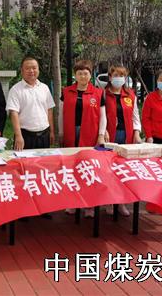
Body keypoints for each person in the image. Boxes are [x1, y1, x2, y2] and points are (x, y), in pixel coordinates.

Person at [60, 60, 105, 218]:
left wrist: (101, 134)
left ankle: (89, 205)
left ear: (90, 75)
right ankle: (72, 203)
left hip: (90, 134)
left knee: (89, 169)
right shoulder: (66, 91)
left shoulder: (98, 93)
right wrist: (61, 132)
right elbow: (61, 114)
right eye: (79, 73)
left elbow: (103, 116)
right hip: (71, 133)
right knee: (71, 169)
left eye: (86, 73)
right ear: (75, 75)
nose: (83, 76)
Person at [103, 65, 142, 217]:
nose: (118, 78)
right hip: (109, 137)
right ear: (110, 77)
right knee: (109, 170)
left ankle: (122, 202)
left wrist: (137, 133)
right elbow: (100, 115)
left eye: (122, 76)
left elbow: (135, 116)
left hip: (126, 136)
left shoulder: (130, 94)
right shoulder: (104, 94)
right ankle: (108, 201)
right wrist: (104, 130)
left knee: (124, 170)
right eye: (115, 75)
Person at [7, 57, 55, 151]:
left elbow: (49, 110)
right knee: (24, 160)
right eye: (27, 68)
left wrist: (52, 131)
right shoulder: (15, 90)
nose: (31, 71)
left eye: (34, 68)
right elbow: (14, 113)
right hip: (25, 136)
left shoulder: (44, 88)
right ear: (22, 71)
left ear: (38, 70)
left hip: (44, 135)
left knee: (44, 160)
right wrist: (18, 135)